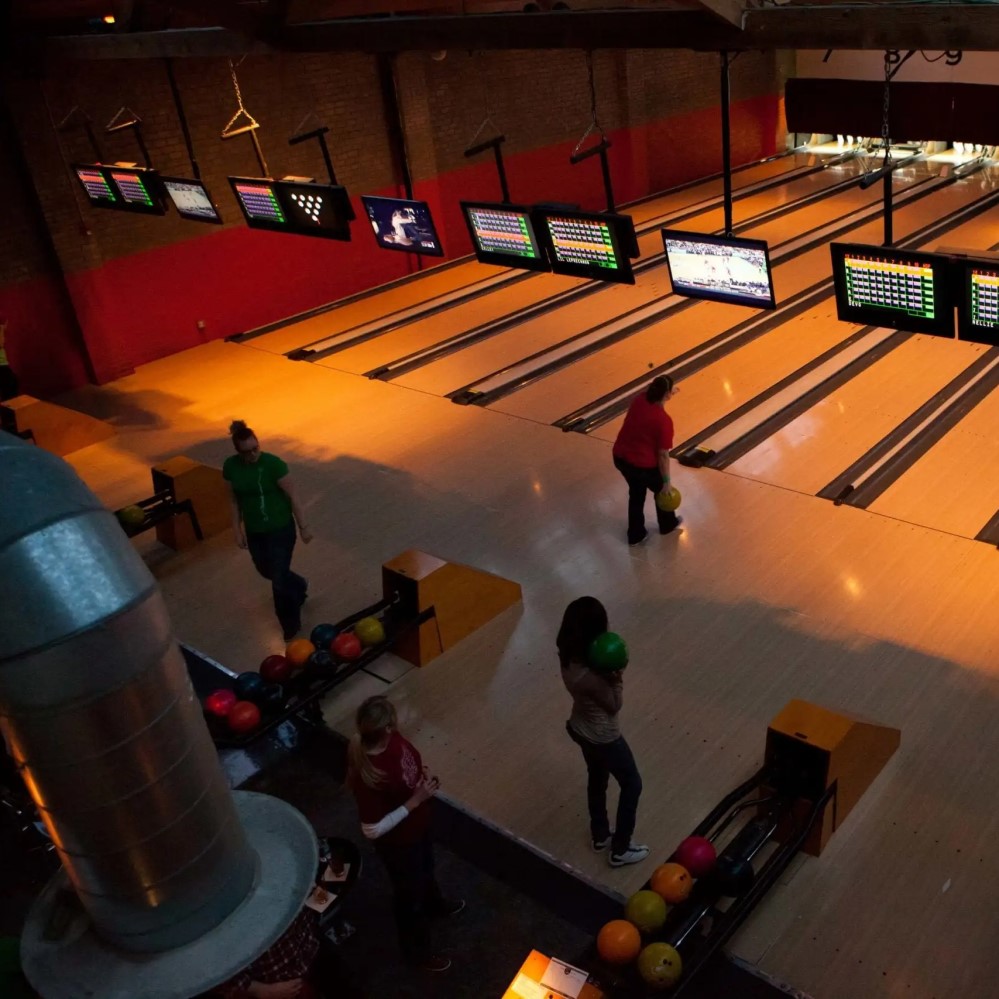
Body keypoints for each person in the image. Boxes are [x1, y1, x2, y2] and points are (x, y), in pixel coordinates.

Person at [347, 696, 464, 973]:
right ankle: (417, 955)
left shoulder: (391, 739)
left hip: (417, 826)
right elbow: (371, 829)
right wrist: (414, 801)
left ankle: (435, 904)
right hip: (399, 843)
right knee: (408, 898)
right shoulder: (369, 774)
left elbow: (406, 764)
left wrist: (419, 775)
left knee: (426, 869)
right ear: (386, 727)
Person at [558, 596, 648, 868]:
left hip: (579, 727)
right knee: (632, 784)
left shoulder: (569, 656)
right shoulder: (592, 676)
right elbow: (614, 706)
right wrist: (617, 677)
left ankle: (600, 835)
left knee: (597, 779)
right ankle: (620, 849)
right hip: (603, 737)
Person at [223, 420, 312, 640]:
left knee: (279, 582)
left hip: (281, 529)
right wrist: (237, 530)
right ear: (237, 451)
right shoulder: (230, 467)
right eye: (247, 451)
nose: (253, 454)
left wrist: (303, 527)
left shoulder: (274, 465)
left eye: (256, 448)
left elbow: (293, 496)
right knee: (265, 571)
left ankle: (290, 626)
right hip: (256, 532)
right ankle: (299, 584)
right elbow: (233, 501)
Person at [214, 906, 360, 998]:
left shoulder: (287, 869)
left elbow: (316, 901)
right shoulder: (225, 909)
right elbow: (208, 971)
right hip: (279, 985)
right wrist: (259, 990)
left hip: (312, 950)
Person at [611, 374, 680, 546]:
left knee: (636, 494)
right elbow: (663, 456)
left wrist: (668, 392)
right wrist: (666, 482)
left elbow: (652, 392)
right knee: (661, 491)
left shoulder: (639, 400)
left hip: (620, 458)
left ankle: (635, 535)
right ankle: (667, 525)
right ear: (666, 395)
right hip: (641, 466)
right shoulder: (663, 421)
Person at [0, 319, 19, 401]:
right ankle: (9, 412)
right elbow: (0, 343)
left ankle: (8, 411)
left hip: (2, 365)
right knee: (10, 387)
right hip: (1, 366)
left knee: (11, 384)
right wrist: (1, 329)